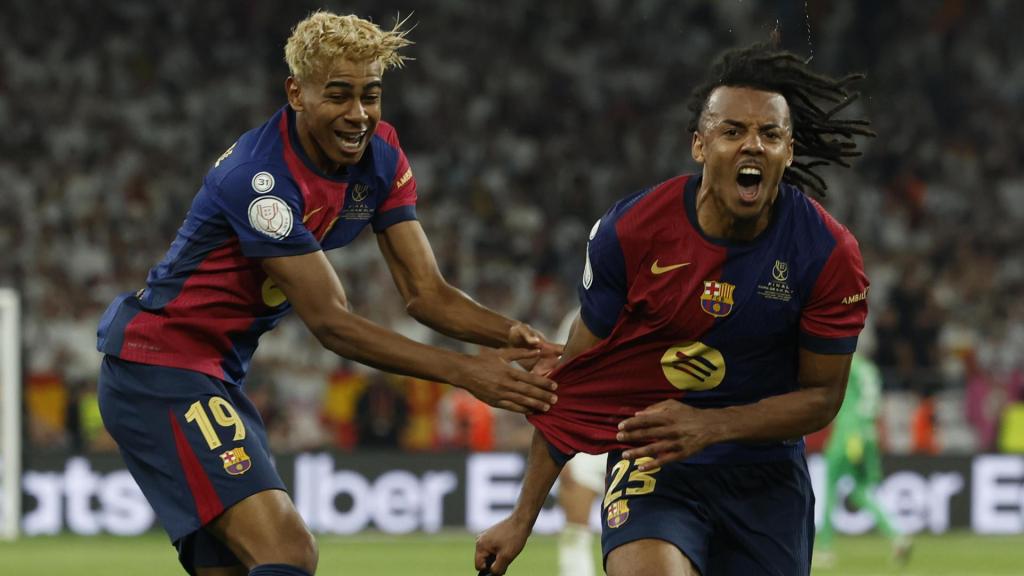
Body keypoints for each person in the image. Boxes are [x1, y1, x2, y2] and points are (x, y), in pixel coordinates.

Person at [95, 11, 560, 576]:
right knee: (288, 551)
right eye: (338, 95)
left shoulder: (381, 154)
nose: (358, 114)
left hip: (212, 373)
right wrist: (466, 371)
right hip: (160, 370)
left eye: (370, 95)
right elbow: (332, 323)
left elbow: (426, 293)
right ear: (296, 92)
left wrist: (513, 334)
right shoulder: (259, 180)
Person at [475, 42, 873, 576]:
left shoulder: (827, 253)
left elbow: (823, 397)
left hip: (766, 473)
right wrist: (522, 517)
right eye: (732, 131)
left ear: (789, 151)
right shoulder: (633, 231)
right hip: (655, 458)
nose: (752, 145)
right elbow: (576, 385)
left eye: (769, 134)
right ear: (700, 145)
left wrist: (710, 426)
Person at [815, 353, 911, 568]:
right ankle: (897, 536)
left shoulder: (845, 364)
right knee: (861, 492)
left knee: (830, 490)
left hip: (847, 436)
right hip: (868, 435)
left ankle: (824, 549)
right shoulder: (870, 370)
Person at [553, 310, 606, 576]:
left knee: (651, 527)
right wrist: (561, 450)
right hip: (587, 434)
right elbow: (560, 382)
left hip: (641, 431)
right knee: (576, 528)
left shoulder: (662, 304)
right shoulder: (582, 315)